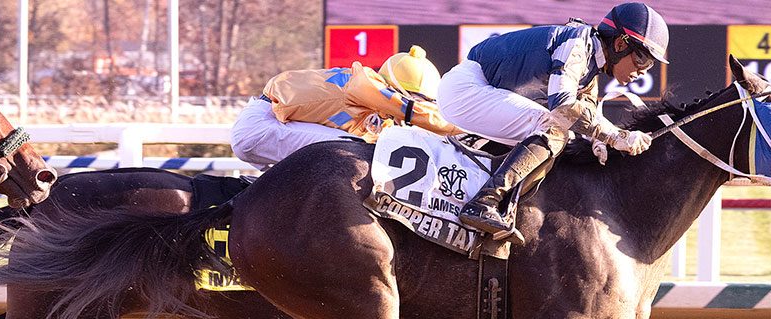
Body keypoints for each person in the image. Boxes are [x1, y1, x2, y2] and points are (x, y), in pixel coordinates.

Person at [437, 2, 669, 238]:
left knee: (560, 136)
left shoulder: (590, 66)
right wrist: (614, 135)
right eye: (642, 59)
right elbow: (563, 106)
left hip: (478, 91)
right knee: (554, 130)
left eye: (650, 64)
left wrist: (599, 141)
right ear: (620, 44)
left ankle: (504, 212)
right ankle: (484, 202)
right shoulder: (577, 44)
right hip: (466, 89)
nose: (644, 70)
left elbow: (587, 112)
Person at [230, 46, 464, 168]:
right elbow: (414, 113)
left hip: (269, 127)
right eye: (419, 100)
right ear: (399, 90)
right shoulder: (366, 84)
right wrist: (465, 128)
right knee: (355, 151)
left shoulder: (371, 104)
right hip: (260, 128)